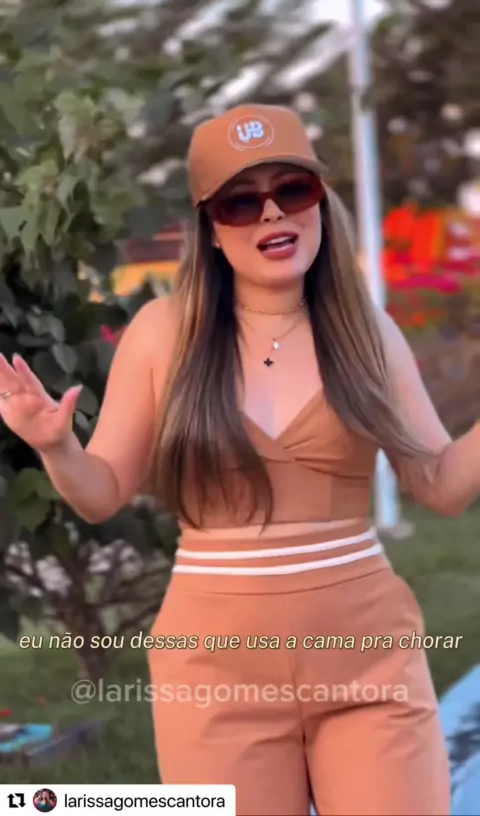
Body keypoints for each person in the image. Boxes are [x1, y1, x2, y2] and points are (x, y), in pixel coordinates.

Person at [4, 101, 475, 815]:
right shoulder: (163, 333)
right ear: (211, 230)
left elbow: (440, 485)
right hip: (214, 673)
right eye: (241, 202)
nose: (272, 214)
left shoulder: (367, 333)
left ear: (321, 203)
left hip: (367, 660)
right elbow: (101, 493)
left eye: (292, 190)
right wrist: (55, 445)